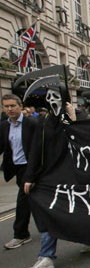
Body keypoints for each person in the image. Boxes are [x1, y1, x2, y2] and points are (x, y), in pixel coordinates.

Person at [22, 82, 77, 268]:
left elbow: (82, 142)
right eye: (50, 96)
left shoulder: (75, 117)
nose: (53, 100)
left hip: (72, 176)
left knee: (78, 213)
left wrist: (73, 120)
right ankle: (46, 257)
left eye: (57, 96)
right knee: (47, 212)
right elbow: (35, 150)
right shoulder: (43, 122)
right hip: (49, 176)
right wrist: (29, 177)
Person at [1, 94, 39, 249]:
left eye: (12, 106)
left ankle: (21, 235)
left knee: (22, 201)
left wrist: (34, 173)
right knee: (37, 203)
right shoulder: (4, 126)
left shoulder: (32, 124)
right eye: (6, 106)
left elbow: (39, 149)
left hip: (32, 169)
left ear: (20, 106)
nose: (10, 109)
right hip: (17, 169)